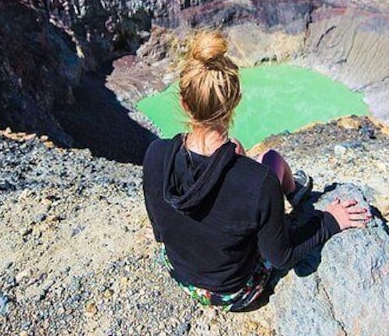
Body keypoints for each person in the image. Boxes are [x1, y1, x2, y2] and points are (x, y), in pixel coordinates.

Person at [142, 29, 370, 311]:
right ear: (235, 101)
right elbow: (281, 257)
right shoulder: (258, 182)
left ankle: (293, 193)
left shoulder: (156, 155)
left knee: (263, 161)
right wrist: (330, 221)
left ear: (184, 103)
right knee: (270, 159)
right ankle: (297, 195)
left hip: (182, 275)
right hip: (233, 293)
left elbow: (161, 234)